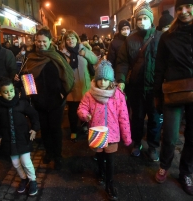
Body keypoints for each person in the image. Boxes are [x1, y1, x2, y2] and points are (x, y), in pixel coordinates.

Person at [19, 27, 74, 170]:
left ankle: (58, 156)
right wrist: (32, 96)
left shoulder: (58, 56)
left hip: (56, 102)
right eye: (38, 41)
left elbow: (68, 76)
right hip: (39, 102)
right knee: (45, 129)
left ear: (50, 41)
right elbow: (27, 78)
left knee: (55, 129)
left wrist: (62, 94)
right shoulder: (30, 58)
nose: (41, 44)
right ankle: (49, 152)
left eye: (44, 41)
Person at [154, 1, 193, 196]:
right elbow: (159, 67)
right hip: (173, 91)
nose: (184, 11)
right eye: (180, 8)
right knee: (169, 134)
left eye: (188, 6)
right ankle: (164, 165)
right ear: (176, 11)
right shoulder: (167, 37)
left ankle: (185, 172)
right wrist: (157, 95)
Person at [77, 60, 132, 201]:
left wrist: (126, 137)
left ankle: (110, 184)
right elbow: (82, 107)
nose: (102, 82)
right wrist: (85, 114)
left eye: (106, 79)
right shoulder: (90, 95)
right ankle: (100, 173)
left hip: (112, 134)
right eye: (100, 79)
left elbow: (124, 116)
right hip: (97, 133)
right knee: (100, 157)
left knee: (111, 161)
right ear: (96, 79)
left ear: (111, 80)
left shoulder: (117, 95)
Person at [115, 2, 163, 161]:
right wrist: (121, 80)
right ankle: (136, 143)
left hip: (155, 88)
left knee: (154, 119)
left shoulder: (160, 38)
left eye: (144, 18)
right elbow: (122, 62)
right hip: (136, 87)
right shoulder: (130, 40)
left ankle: (153, 147)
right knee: (137, 117)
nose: (142, 21)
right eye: (139, 19)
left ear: (151, 19)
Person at [0, 77, 40, 196]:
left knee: (26, 161)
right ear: (0, 93)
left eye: (11, 91)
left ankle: (32, 180)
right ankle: (23, 178)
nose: (9, 94)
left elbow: (34, 115)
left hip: (23, 138)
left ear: (15, 90)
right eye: (5, 92)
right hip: (8, 141)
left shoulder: (21, 103)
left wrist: (34, 129)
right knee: (15, 163)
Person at [60, 30, 98, 141]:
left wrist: (85, 53)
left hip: (84, 86)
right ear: (65, 41)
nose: (70, 40)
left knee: (85, 109)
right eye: (68, 39)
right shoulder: (63, 53)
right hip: (71, 87)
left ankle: (84, 126)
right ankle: (73, 130)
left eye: (72, 38)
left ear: (77, 39)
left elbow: (95, 60)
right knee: (72, 111)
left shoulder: (83, 49)